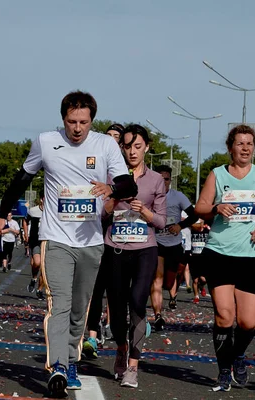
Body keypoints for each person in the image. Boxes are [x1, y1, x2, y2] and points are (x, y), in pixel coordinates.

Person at [0, 91, 138, 397]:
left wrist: (110, 188)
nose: (77, 128)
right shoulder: (46, 142)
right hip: (55, 238)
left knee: (78, 307)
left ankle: (72, 361)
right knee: (58, 304)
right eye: (72, 121)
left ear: (91, 121)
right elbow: (22, 179)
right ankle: (57, 365)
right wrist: (3, 215)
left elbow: (129, 185)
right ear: (63, 120)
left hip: (91, 240)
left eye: (83, 122)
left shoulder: (105, 144)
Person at [195, 124, 255, 392]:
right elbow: (200, 208)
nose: (245, 148)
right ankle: (223, 370)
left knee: (248, 322)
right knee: (223, 316)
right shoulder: (217, 175)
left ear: (254, 148)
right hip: (220, 252)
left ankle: (238, 355)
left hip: (252, 256)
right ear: (230, 147)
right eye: (240, 143)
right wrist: (216, 208)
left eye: (249, 144)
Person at [99, 124, 166, 388]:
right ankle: (121, 347)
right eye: (127, 146)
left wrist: (145, 212)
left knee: (138, 302)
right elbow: (101, 215)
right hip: (115, 248)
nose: (132, 152)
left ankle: (133, 366)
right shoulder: (110, 175)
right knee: (116, 312)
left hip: (145, 250)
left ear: (146, 147)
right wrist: (114, 199)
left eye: (137, 146)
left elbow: (161, 221)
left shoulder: (156, 180)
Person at [83, 123, 126, 359]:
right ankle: (91, 334)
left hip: (122, 239)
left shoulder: (124, 173)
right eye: (107, 136)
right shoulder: (95, 166)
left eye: (116, 138)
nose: (110, 140)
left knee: (117, 289)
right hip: (96, 231)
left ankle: (114, 325)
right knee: (96, 288)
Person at [151, 164, 198, 329]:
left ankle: (171, 292)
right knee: (156, 279)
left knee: (169, 282)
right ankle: (158, 315)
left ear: (170, 180)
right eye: (160, 179)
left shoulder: (178, 197)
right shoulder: (149, 196)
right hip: (155, 242)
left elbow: (194, 215)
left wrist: (180, 225)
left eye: (167, 179)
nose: (163, 182)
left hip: (174, 244)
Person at [23, 196, 44, 299]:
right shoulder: (33, 211)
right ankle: (34, 278)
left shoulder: (53, 210)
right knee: (37, 262)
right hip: (35, 240)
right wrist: (26, 234)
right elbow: (25, 221)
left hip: (48, 241)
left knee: (45, 269)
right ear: (41, 199)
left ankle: (40, 290)